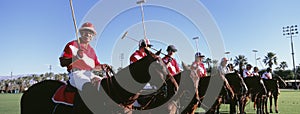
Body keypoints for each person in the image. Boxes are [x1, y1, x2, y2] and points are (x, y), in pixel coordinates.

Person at [59, 22, 108, 91]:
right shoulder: (72, 44)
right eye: (86, 31)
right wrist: (76, 57)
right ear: (81, 33)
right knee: (90, 88)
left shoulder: (92, 50)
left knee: (106, 85)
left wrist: (103, 67)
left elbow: (95, 66)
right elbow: (62, 63)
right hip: (76, 74)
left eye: (91, 33)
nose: (88, 34)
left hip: (89, 74)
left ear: (93, 36)